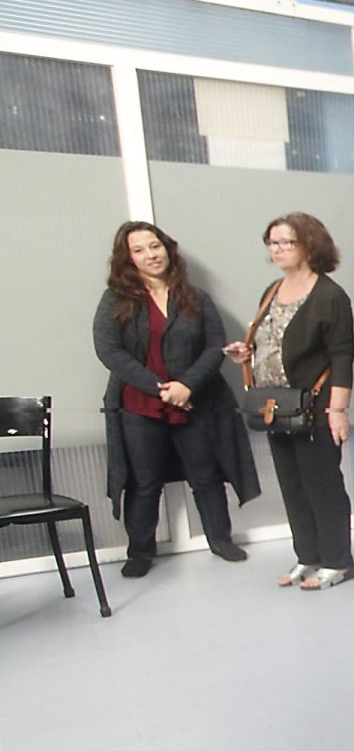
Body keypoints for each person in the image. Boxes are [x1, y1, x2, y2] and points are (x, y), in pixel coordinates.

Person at [92, 221, 258, 577]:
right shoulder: (116, 299)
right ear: (128, 258)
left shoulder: (195, 296)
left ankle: (221, 540)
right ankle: (139, 552)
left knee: (205, 474)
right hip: (140, 405)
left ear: (167, 248)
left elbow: (216, 346)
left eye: (155, 246)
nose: (150, 255)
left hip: (194, 401)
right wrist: (159, 388)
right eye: (139, 250)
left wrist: (186, 386)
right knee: (144, 480)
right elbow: (109, 350)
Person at [226, 213, 354, 589]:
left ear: (310, 245)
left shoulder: (330, 295)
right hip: (276, 407)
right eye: (273, 243)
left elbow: (343, 356)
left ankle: (337, 560)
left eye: (286, 242)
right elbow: (271, 342)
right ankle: (308, 555)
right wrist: (246, 353)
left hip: (315, 409)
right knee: (293, 486)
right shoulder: (272, 289)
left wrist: (338, 411)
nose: (278, 250)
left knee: (323, 486)